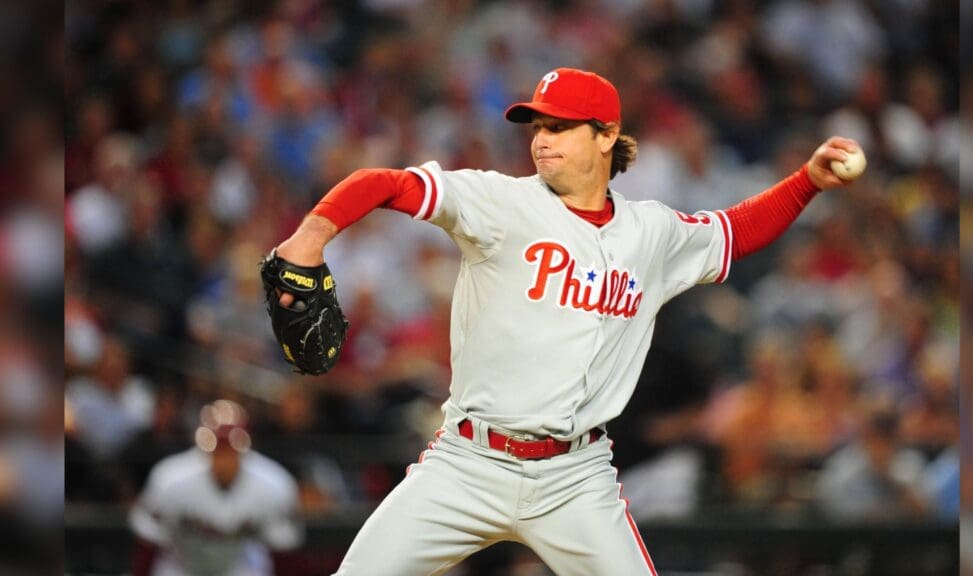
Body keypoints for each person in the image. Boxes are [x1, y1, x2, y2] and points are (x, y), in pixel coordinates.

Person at [272, 67, 861, 575]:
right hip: (468, 463)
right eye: (537, 127)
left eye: (559, 126)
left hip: (575, 477)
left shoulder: (651, 233)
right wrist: (311, 236)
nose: (542, 140)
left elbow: (736, 230)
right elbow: (388, 183)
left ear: (606, 136)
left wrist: (807, 182)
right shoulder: (500, 203)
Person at [129, 399, 303, 576]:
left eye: (230, 447)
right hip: (182, 566)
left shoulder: (274, 484)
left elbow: (283, 550)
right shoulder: (170, 480)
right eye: (217, 447)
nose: (224, 457)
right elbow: (148, 542)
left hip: (240, 566)